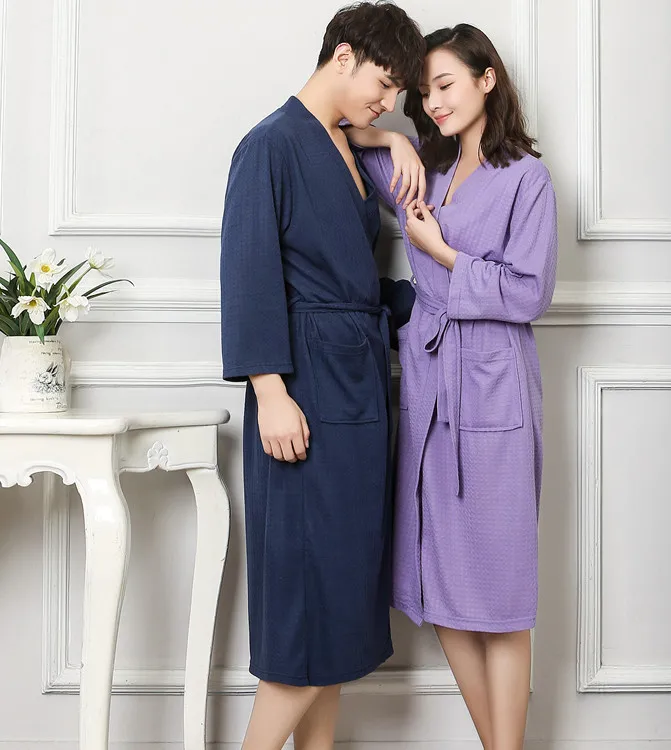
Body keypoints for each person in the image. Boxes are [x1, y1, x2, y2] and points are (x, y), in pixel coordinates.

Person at [344, 24, 558, 750]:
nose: (432, 103)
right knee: (441, 587)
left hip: (495, 384)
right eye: (423, 92)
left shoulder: (526, 177)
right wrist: (394, 140)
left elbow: (529, 292)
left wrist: (443, 253)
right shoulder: (424, 168)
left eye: (446, 85)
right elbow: (340, 125)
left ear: (486, 78)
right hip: (431, 389)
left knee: (502, 595)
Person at [219, 4, 424, 749]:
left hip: (358, 393)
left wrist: (388, 136)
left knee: (336, 619)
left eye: (398, 93)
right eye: (384, 84)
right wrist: (270, 391)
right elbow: (248, 272)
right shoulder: (270, 145)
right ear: (343, 56)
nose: (390, 102)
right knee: (304, 620)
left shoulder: (345, 142)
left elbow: (358, 280)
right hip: (302, 396)